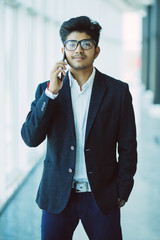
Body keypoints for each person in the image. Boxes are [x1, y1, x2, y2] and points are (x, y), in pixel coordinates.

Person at [21, 16, 137, 240]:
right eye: (72, 44)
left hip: (102, 197)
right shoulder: (47, 91)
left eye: (86, 44)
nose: (79, 50)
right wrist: (51, 94)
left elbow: (128, 146)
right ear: (63, 50)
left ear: (97, 50)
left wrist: (123, 190)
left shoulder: (117, 92)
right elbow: (30, 137)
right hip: (58, 197)